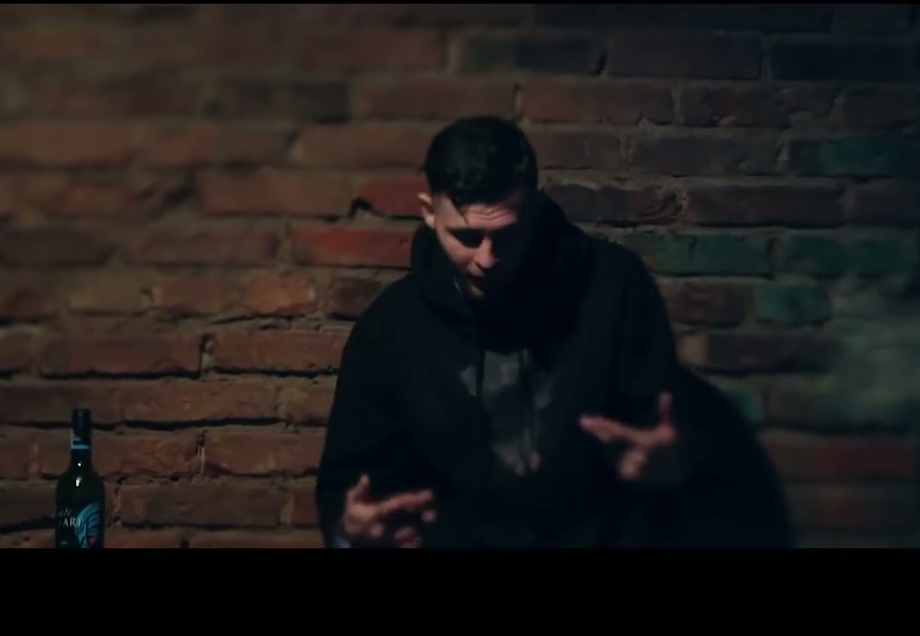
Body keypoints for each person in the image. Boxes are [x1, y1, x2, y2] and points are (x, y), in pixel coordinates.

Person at [314, 116, 793, 548]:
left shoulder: (613, 287)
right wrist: (350, 532)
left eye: (506, 236)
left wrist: (677, 465)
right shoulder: (391, 328)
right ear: (429, 212)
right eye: (466, 237)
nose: (486, 259)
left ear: (535, 209)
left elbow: (664, 433)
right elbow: (350, 485)